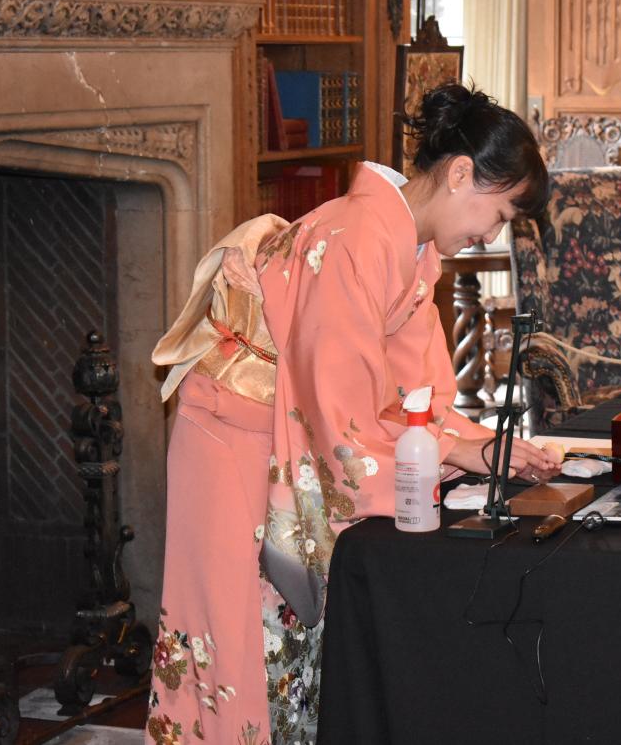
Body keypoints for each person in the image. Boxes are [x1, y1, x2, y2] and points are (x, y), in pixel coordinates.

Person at [145, 83, 559, 745]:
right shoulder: (355, 237)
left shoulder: (412, 250)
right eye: (501, 212)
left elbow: (415, 397)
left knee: (282, 661)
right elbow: (339, 419)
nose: (493, 232)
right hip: (233, 438)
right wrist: (445, 454)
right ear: (461, 174)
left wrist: (477, 446)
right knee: (232, 656)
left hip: (282, 435)